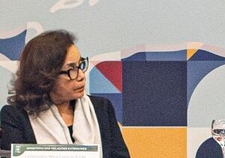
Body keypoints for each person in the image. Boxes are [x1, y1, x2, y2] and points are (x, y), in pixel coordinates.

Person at [0, 30, 130, 158]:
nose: (81, 76)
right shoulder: (15, 116)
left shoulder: (101, 108)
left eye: (80, 65)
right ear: (45, 77)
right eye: (70, 70)